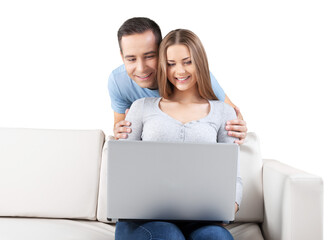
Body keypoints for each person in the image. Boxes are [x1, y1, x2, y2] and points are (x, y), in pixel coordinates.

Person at [114, 29, 242, 240]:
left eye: (187, 61)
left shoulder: (223, 112)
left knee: (217, 238)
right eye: (171, 63)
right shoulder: (141, 108)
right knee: (168, 235)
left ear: (199, 62)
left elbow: (233, 174)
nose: (179, 71)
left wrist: (231, 206)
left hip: (201, 219)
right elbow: (123, 169)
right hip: (143, 220)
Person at [108, 17, 247, 143]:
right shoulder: (119, 82)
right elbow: (121, 134)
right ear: (122, 57)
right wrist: (119, 131)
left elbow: (233, 118)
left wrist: (240, 128)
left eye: (149, 56)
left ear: (161, 52)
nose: (141, 68)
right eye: (131, 59)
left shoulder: (195, 76)